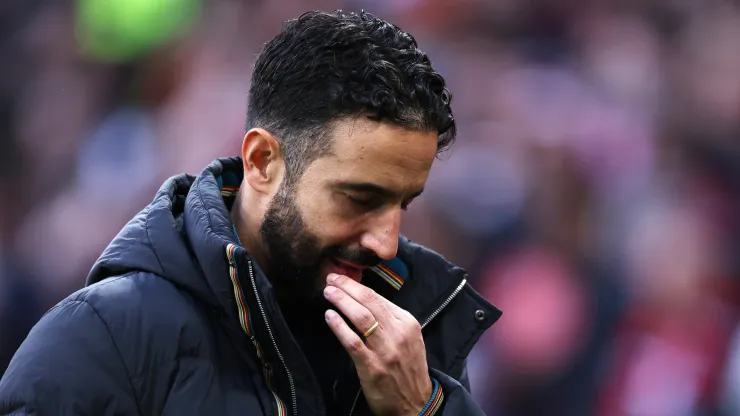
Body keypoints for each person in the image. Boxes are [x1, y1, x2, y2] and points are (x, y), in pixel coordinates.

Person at [0, 10, 500, 416]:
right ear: (263, 162)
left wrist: (424, 409)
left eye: (403, 204)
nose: (386, 243)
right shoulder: (100, 341)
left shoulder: (413, 337)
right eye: (360, 199)